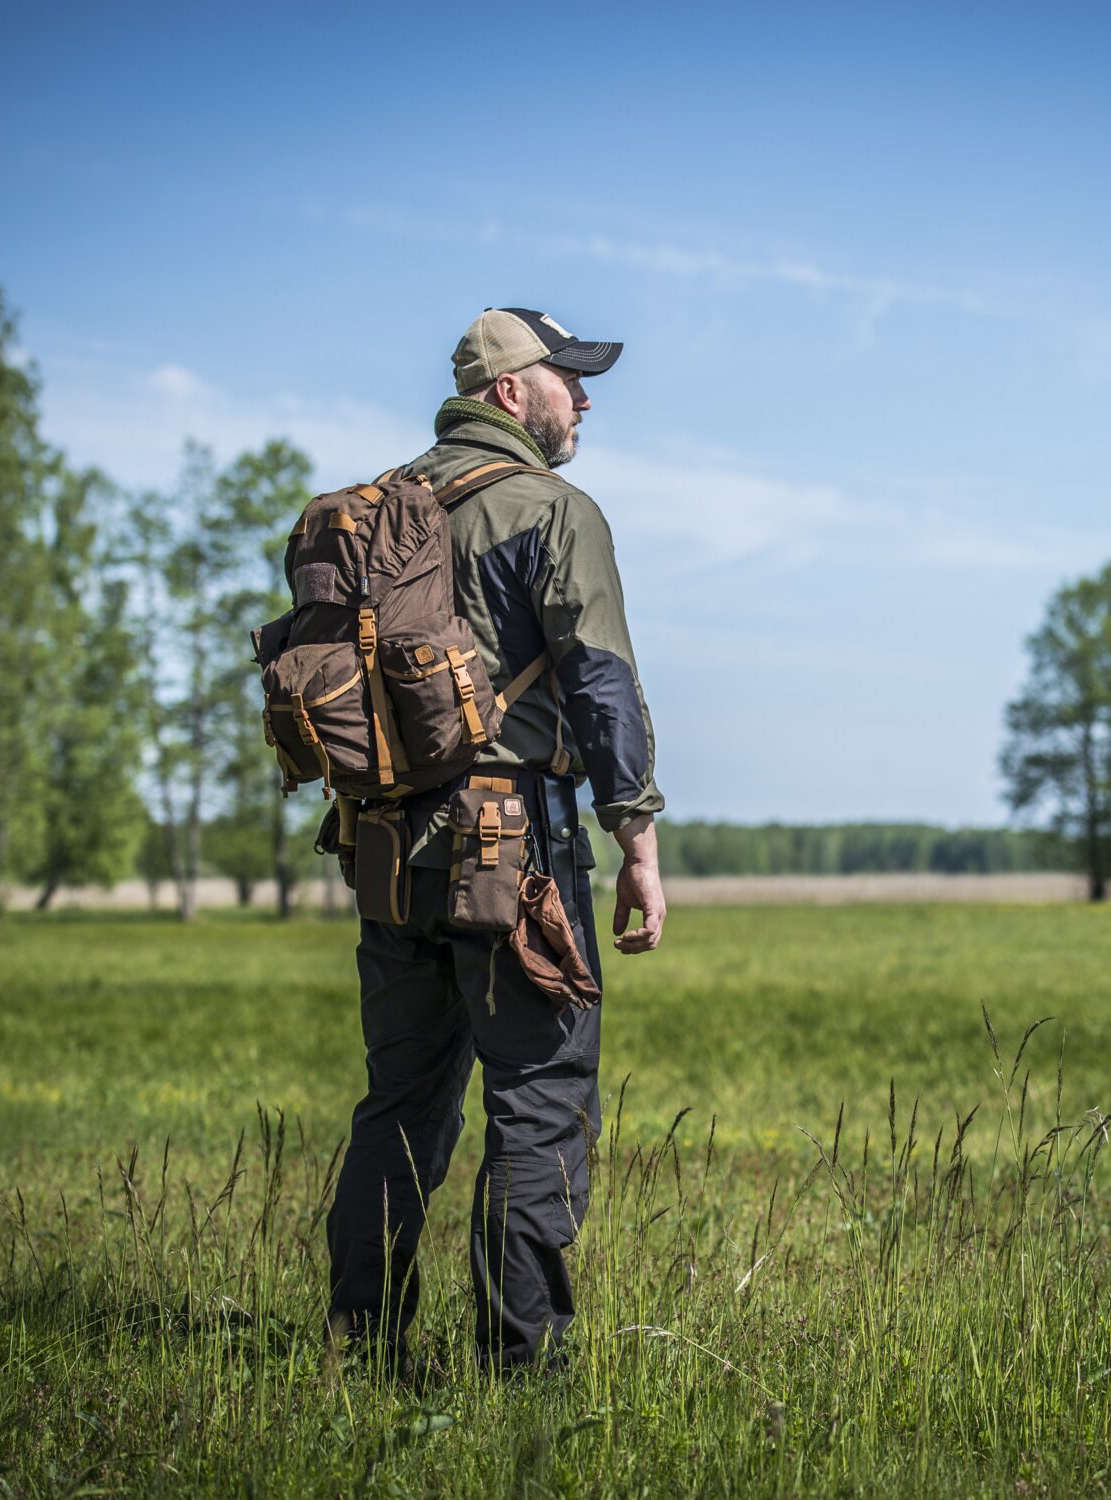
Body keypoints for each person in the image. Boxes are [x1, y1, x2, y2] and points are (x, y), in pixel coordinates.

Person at [326, 306, 666, 1374]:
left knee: (399, 1106)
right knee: (541, 1103)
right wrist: (638, 841)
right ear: (512, 393)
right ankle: (520, 1375)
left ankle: (361, 1352)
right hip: (517, 857)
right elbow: (601, 684)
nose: (587, 398)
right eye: (570, 378)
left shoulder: (381, 509)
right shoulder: (553, 510)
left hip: (389, 856)